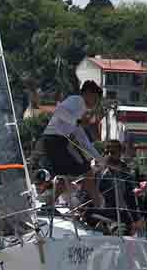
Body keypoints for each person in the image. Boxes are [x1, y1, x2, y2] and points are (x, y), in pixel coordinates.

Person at [38, 81, 105, 209]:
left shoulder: (79, 110)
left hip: (54, 141)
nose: (96, 103)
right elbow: (59, 111)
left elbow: (82, 138)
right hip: (55, 141)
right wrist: (77, 121)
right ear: (88, 93)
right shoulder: (77, 100)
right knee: (87, 172)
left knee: (66, 177)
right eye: (95, 98)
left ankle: (48, 206)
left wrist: (98, 158)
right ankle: (98, 208)